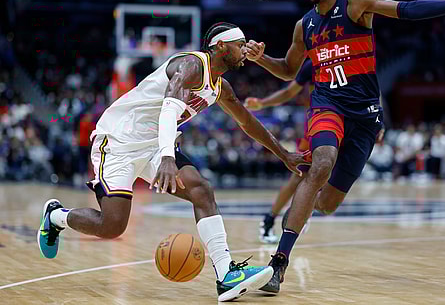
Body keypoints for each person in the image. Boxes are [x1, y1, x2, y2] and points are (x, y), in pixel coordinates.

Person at [245, 0, 445, 293]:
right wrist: (261, 58)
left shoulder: (357, 5)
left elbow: (406, 9)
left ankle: (302, 206)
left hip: (366, 117)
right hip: (327, 106)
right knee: (320, 164)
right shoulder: (304, 25)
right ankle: (278, 265)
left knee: (326, 204)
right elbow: (289, 70)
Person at [37, 22, 308, 302]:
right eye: (240, 45)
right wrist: (167, 157)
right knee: (112, 225)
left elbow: (247, 122)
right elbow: (169, 110)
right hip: (118, 141)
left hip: (155, 144)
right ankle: (56, 216)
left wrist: (283, 154)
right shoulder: (192, 65)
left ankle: (226, 275)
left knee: (201, 189)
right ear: (221, 47)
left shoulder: (220, 87)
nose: (245, 50)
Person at [244, 59, 313, 243]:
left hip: (346, 121)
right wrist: (262, 103)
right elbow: (290, 91)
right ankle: (274, 218)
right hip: (319, 123)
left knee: (320, 175)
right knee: (299, 174)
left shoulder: (352, 56)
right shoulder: (314, 61)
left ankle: (297, 211)